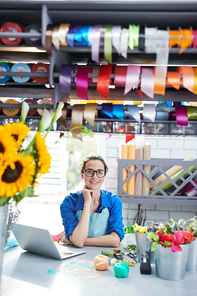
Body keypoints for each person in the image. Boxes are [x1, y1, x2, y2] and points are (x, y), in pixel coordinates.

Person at [59, 154, 124, 248]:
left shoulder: (114, 201)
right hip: (77, 258)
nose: (95, 177)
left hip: (105, 257)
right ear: (82, 174)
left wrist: (76, 240)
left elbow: (115, 240)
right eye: (89, 171)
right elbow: (78, 242)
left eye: (100, 172)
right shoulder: (69, 202)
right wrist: (87, 203)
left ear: (105, 175)